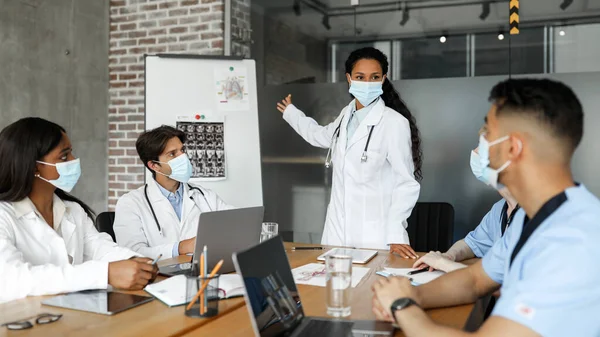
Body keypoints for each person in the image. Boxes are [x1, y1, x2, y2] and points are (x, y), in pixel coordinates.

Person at [372, 78, 600, 337]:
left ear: (513, 147)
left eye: (487, 133)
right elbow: (475, 280)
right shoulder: (531, 216)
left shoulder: (574, 241)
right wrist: (412, 293)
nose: (481, 145)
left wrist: (403, 305)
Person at [276, 47, 422, 257]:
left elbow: (406, 184)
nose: (367, 83)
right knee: (332, 286)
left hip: (373, 235)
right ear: (349, 78)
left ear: (383, 79)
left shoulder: (394, 123)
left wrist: (396, 234)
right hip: (336, 231)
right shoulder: (346, 114)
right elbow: (320, 136)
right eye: (360, 77)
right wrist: (292, 114)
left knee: (368, 287)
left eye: (375, 77)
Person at [0, 118, 158, 304]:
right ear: (35, 167)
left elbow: (100, 248)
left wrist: (137, 262)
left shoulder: (72, 210)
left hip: (71, 316)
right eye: (64, 156)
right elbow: (13, 280)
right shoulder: (5, 215)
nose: (74, 161)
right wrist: (105, 274)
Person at [113, 125, 233, 259]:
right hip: (159, 277)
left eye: (182, 150)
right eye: (172, 154)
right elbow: (131, 253)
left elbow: (239, 223)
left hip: (203, 273)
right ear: (154, 165)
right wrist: (181, 247)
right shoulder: (131, 203)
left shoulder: (204, 196)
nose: (183, 157)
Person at [412, 146, 520, 273]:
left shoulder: (532, 214)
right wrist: (449, 256)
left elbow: (502, 281)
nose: (475, 151)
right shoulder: (499, 209)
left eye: (484, 145)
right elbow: (472, 243)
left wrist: (443, 264)